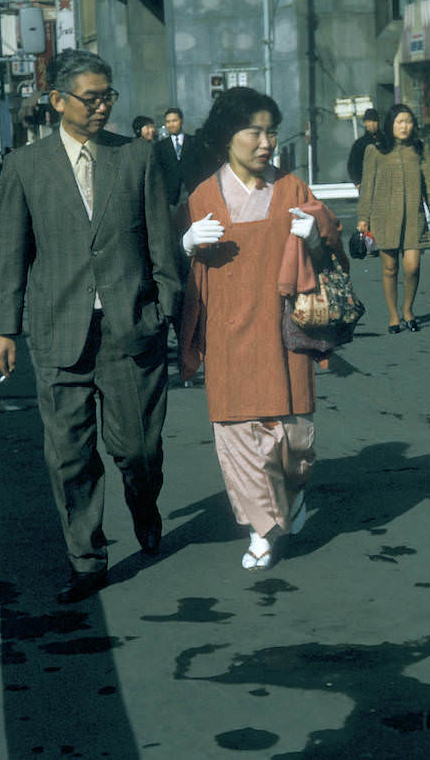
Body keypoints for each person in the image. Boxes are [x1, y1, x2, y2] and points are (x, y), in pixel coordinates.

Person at [0, 49, 182, 603]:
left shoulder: (138, 157)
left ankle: (144, 505)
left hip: (131, 328)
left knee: (139, 449)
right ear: (58, 101)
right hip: (59, 331)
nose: (102, 107)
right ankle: (87, 558)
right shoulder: (26, 167)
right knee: (69, 455)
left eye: (108, 96)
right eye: (91, 98)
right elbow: (11, 254)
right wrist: (6, 327)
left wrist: (166, 305)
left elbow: (161, 242)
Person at [175, 87, 345, 570]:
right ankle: (261, 530)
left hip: (285, 330)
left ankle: (289, 497)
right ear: (227, 137)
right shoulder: (204, 196)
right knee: (237, 434)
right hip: (228, 331)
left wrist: (317, 239)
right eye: (254, 130)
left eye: (271, 130)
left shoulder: (292, 190)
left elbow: (333, 250)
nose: (266, 141)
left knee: (293, 438)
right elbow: (169, 267)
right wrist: (185, 244)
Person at [356, 103, 430, 333]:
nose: (404, 126)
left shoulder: (420, 148)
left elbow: (429, 182)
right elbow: (367, 186)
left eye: (408, 121)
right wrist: (363, 217)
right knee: (390, 267)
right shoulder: (375, 150)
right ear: (390, 124)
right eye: (399, 122)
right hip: (383, 216)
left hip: (414, 215)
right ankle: (394, 316)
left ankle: (408, 309)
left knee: (412, 266)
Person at [154, 106, 193, 206]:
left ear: (181, 121)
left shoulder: (194, 142)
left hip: (192, 193)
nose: (171, 124)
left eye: (174, 121)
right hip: (170, 198)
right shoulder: (159, 147)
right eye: (168, 122)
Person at [347, 107, 380, 187]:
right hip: (366, 185)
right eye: (368, 121)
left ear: (378, 122)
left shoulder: (386, 141)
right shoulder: (359, 144)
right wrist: (357, 182)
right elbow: (352, 165)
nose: (371, 124)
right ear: (364, 123)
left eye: (374, 121)